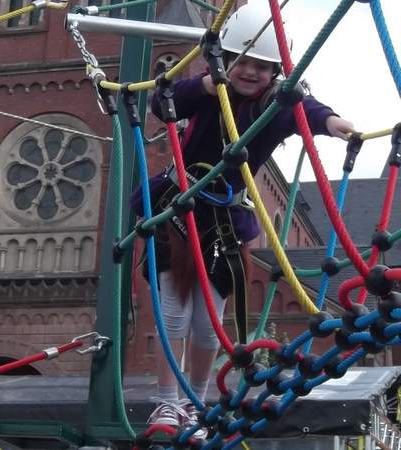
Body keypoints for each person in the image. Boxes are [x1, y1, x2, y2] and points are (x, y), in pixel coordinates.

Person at [133, 3, 354, 434]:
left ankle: (195, 402)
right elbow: (165, 100)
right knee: (173, 315)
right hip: (177, 208)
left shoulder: (276, 105)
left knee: (205, 323)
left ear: (274, 71)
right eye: (243, 62)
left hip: (224, 221)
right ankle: (165, 402)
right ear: (228, 61)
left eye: (263, 66)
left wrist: (333, 122)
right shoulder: (207, 89)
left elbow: (305, 110)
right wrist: (205, 85)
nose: (251, 72)